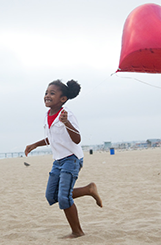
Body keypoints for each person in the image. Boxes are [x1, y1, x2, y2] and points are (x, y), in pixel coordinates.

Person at [25, 79, 102, 238]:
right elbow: (53, 138)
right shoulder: (48, 115)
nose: (47, 95)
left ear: (63, 99)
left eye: (52, 93)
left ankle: (77, 232)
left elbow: (77, 139)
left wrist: (66, 122)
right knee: (51, 196)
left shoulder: (67, 115)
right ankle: (89, 189)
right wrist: (34, 145)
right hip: (58, 161)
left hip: (72, 159)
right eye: (46, 92)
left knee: (64, 197)